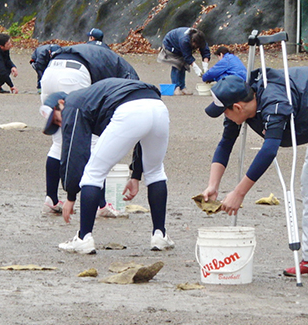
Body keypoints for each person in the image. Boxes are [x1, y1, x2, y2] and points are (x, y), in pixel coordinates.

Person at [201, 68, 308, 284]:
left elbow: (268, 151)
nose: (224, 116)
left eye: (225, 112)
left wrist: (239, 193)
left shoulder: (274, 104)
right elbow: (226, 143)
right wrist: (213, 185)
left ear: (237, 107)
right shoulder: (240, 106)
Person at [41, 78, 172, 254]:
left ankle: (83, 238)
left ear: (60, 103)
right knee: (155, 171)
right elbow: (141, 134)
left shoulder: (72, 103)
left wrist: (71, 196)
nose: (61, 124)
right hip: (157, 105)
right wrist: (135, 176)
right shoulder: (92, 98)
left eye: (57, 120)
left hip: (130, 108)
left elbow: (75, 152)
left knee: (93, 173)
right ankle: (160, 235)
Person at [39, 42, 139, 215]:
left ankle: (51, 199)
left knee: (59, 141)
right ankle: (101, 205)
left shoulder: (98, 55)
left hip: (50, 72)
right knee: (92, 140)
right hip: (74, 75)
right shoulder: (128, 75)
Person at [157, 27, 211, 95]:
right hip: (171, 44)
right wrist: (196, 69)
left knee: (183, 66)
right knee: (177, 64)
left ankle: (182, 87)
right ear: (192, 41)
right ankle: (176, 87)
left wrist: (205, 68)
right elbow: (187, 57)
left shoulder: (201, 39)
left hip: (180, 45)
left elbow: (205, 52)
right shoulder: (184, 40)